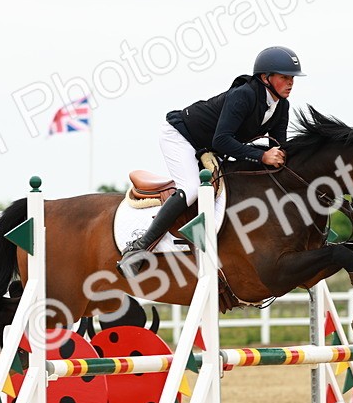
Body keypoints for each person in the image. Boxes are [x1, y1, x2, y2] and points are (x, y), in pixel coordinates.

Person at [117, 46, 304, 278]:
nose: (290, 83)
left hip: (210, 146)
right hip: (182, 135)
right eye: (284, 77)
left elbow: (277, 147)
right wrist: (261, 156)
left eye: (292, 78)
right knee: (192, 188)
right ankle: (138, 249)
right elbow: (222, 140)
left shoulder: (281, 106)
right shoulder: (244, 95)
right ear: (266, 78)